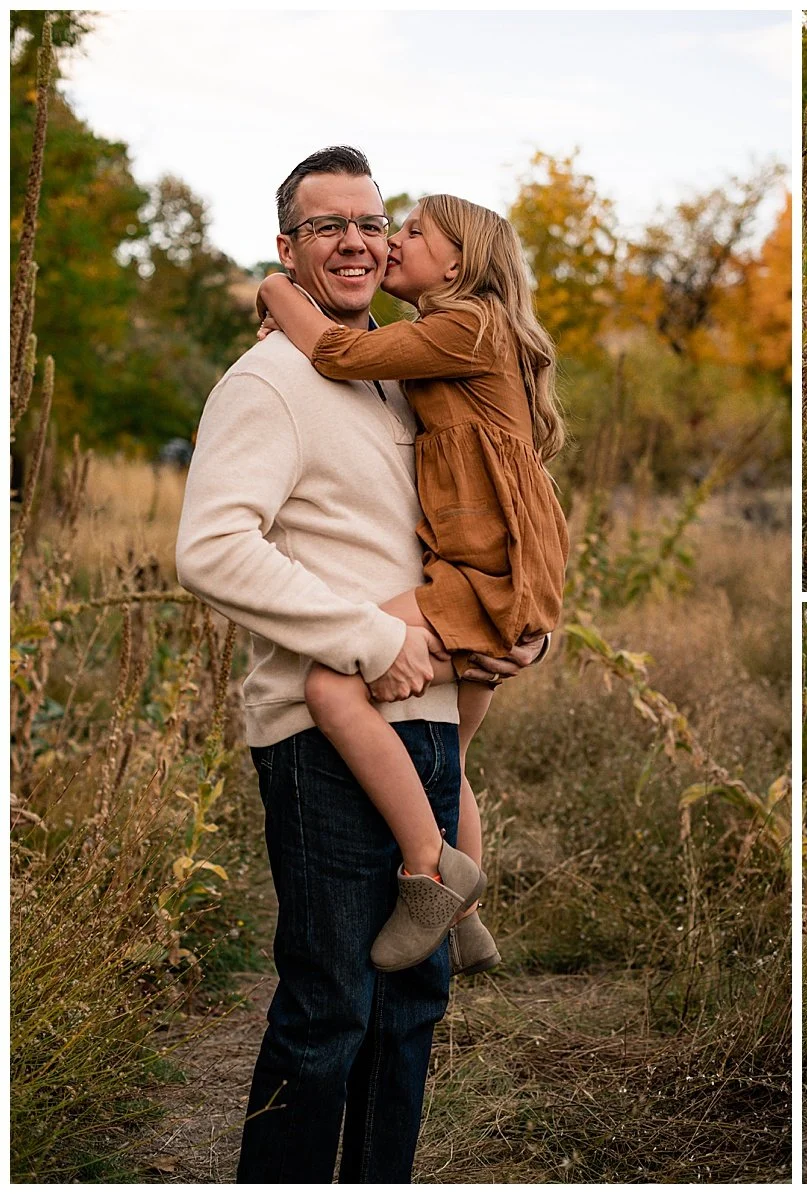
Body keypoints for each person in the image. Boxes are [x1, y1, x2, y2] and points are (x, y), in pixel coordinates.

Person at [176, 146, 546, 1184]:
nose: (354, 240)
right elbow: (212, 547)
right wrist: (371, 638)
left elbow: (477, 515)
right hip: (322, 728)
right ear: (287, 248)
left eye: (370, 222)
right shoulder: (269, 379)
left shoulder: (407, 370)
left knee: (412, 1004)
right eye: (326, 225)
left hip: (424, 716)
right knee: (331, 1001)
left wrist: (509, 626)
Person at [255, 193, 569, 974]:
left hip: (483, 570)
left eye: (413, 233)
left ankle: (431, 875)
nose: (391, 244)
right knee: (448, 755)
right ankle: (466, 920)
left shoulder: (467, 325)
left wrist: (275, 292)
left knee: (331, 684)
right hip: (495, 562)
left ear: (459, 262)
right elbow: (351, 354)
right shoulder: (443, 337)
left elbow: (339, 355)